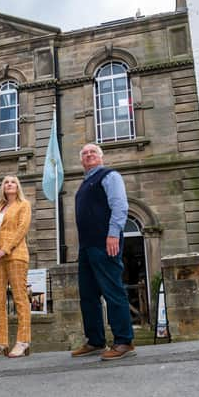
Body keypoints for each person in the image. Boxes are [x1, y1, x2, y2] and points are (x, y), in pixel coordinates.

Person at [71, 143, 136, 361]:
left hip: (105, 243)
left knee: (113, 290)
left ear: (101, 157)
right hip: (87, 247)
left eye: (93, 152)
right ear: (81, 160)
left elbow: (119, 206)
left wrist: (113, 234)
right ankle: (96, 341)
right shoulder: (84, 184)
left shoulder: (110, 176)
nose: (88, 155)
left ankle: (124, 341)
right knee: (88, 296)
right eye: (85, 153)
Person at [0, 175, 32, 358]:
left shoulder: (24, 205)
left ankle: (23, 341)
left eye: (13, 182)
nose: (9, 184)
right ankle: (0, 342)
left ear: (17, 186)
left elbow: (22, 230)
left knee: (20, 299)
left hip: (16, 256)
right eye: (6, 182)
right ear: (3, 188)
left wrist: (4, 250)